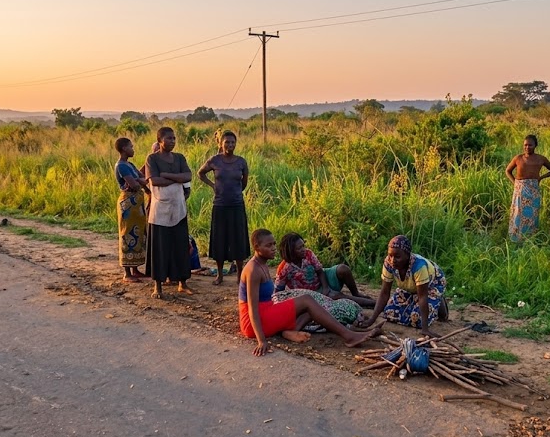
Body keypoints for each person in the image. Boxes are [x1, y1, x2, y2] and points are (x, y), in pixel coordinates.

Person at [240, 229, 381, 357]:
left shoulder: (262, 264)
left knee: (312, 308)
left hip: (266, 312)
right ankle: (349, 336)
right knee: (307, 300)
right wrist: (261, 341)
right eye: (268, 245)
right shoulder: (253, 270)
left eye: (274, 244)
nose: (273, 248)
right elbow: (252, 309)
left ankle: (290, 330)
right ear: (256, 247)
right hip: (253, 323)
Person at [356, 235, 449, 338]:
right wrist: (371, 320)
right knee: (389, 313)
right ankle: (416, 298)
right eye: (390, 255)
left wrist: (425, 329)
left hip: (431, 285)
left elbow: (422, 297)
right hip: (410, 287)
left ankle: (439, 301)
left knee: (417, 320)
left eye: (397, 256)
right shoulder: (388, 263)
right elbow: (384, 293)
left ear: (407, 255)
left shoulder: (419, 266)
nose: (393, 260)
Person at [144, 127, 193, 299]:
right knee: (160, 248)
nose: (172, 141)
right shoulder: (152, 159)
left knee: (180, 247)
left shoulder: (179, 158)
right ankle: (158, 286)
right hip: (160, 211)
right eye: (169, 138)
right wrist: (176, 177)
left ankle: (182, 283)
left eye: (174, 138)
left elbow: (188, 176)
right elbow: (155, 181)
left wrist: (166, 175)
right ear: (160, 141)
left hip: (178, 208)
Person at [198, 131, 250, 285]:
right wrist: (213, 186)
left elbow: (244, 183)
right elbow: (201, 173)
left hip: (237, 205)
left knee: (238, 240)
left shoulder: (241, 162)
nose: (230, 145)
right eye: (227, 142)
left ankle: (240, 275)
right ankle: (220, 275)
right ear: (221, 144)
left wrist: (236, 192)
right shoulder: (215, 160)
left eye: (233, 142)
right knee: (219, 239)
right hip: (220, 206)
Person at [275, 233, 375, 308]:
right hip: (310, 293)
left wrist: (326, 288)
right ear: (291, 251)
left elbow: (320, 271)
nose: (303, 249)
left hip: (321, 280)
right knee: (337, 296)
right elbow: (278, 291)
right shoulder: (284, 269)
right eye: (299, 248)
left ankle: (356, 293)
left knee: (343, 269)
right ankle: (374, 303)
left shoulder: (308, 254)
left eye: (303, 246)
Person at [505, 134, 550, 241]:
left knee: (532, 214)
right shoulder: (518, 158)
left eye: (530, 145)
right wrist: (515, 183)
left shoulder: (540, 159)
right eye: (525, 145)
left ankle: (530, 238)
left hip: (533, 189)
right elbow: (508, 171)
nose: (527, 147)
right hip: (520, 189)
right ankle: (516, 238)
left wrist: (541, 177)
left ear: (535, 145)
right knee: (518, 212)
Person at [114, 137, 149, 282]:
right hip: (128, 203)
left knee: (138, 234)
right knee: (127, 234)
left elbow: (142, 179)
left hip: (136, 204)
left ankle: (135, 269)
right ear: (124, 149)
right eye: (131, 146)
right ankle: (127, 273)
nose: (133, 149)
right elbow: (134, 185)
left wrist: (142, 183)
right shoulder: (121, 166)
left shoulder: (130, 165)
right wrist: (141, 182)